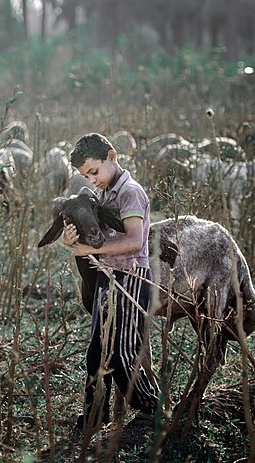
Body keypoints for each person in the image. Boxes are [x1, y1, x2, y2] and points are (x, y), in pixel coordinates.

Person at [62, 132, 160, 431]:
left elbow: (134, 240)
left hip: (130, 277)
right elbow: (99, 235)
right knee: (96, 350)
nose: (92, 180)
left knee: (122, 349)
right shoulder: (104, 194)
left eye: (94, 171)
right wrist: (71, 240)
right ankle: (95, 414)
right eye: (85, 176)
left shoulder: (130, 192)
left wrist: (92, 249)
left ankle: (151, 409)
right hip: (107, 277)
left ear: (112, 157)